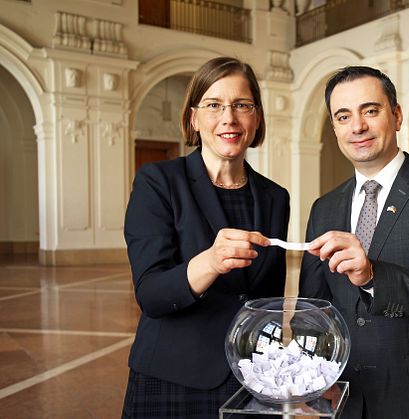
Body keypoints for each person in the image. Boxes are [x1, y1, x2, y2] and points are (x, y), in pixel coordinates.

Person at [300, 66, 409, 419]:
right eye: (343, 116)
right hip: (345, 402)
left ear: (396, 116)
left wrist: (373, 276)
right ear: (335, 128)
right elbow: (314, 309)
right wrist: (313, 379)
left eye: (371, 110)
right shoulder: (324, 207)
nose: (358, 127)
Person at [122, 56, 289, 417]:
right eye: (214, 105)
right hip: (174, 375)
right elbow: (151, 294)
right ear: (194, 118)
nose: (228, 118)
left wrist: (277, 369)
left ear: (256, 118)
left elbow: (268, 301)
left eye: (242, 105)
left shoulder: (276, 197)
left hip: (250, 374)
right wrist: (211, 262)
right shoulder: (159, 182)